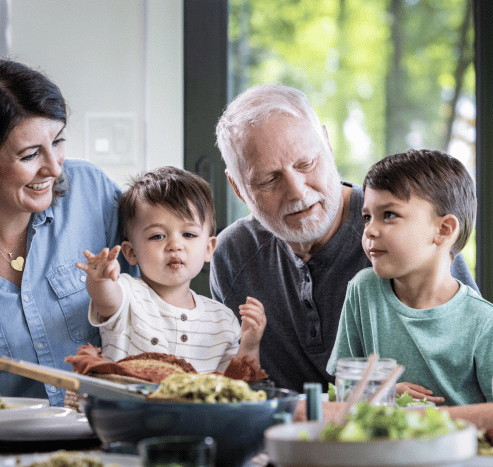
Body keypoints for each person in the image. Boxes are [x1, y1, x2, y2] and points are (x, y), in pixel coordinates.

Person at [211, 83, 479, 394]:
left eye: (305, 163)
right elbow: (238, 390)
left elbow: (471, 380)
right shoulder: (233, 255)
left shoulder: (408, 235)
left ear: (327, 142)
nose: (297, 191)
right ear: (238, 188)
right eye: (269, 179)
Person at [0, 58, 136, 405]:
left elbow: (149, 307)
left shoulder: (92, 193)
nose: (54, 167)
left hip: (103, 429)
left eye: (58, 141)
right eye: (31, 154)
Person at [326, 149, 493, 406]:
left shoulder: (484, 323)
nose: (369, 229)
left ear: (443, 230)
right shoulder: (363, 290)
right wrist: (382, 393)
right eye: (367, 217)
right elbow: (343, 388)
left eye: (389, 215)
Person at [75, 166, 266, 374]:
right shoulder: (128, 293)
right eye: (157, 236)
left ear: (208, 249)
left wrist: (250, 345)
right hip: (130, 407)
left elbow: (236, 384)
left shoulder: (222, 319)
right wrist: (100, 279)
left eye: (189, 235)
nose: (175, 245)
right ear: (131, 252)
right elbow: (106, 300)